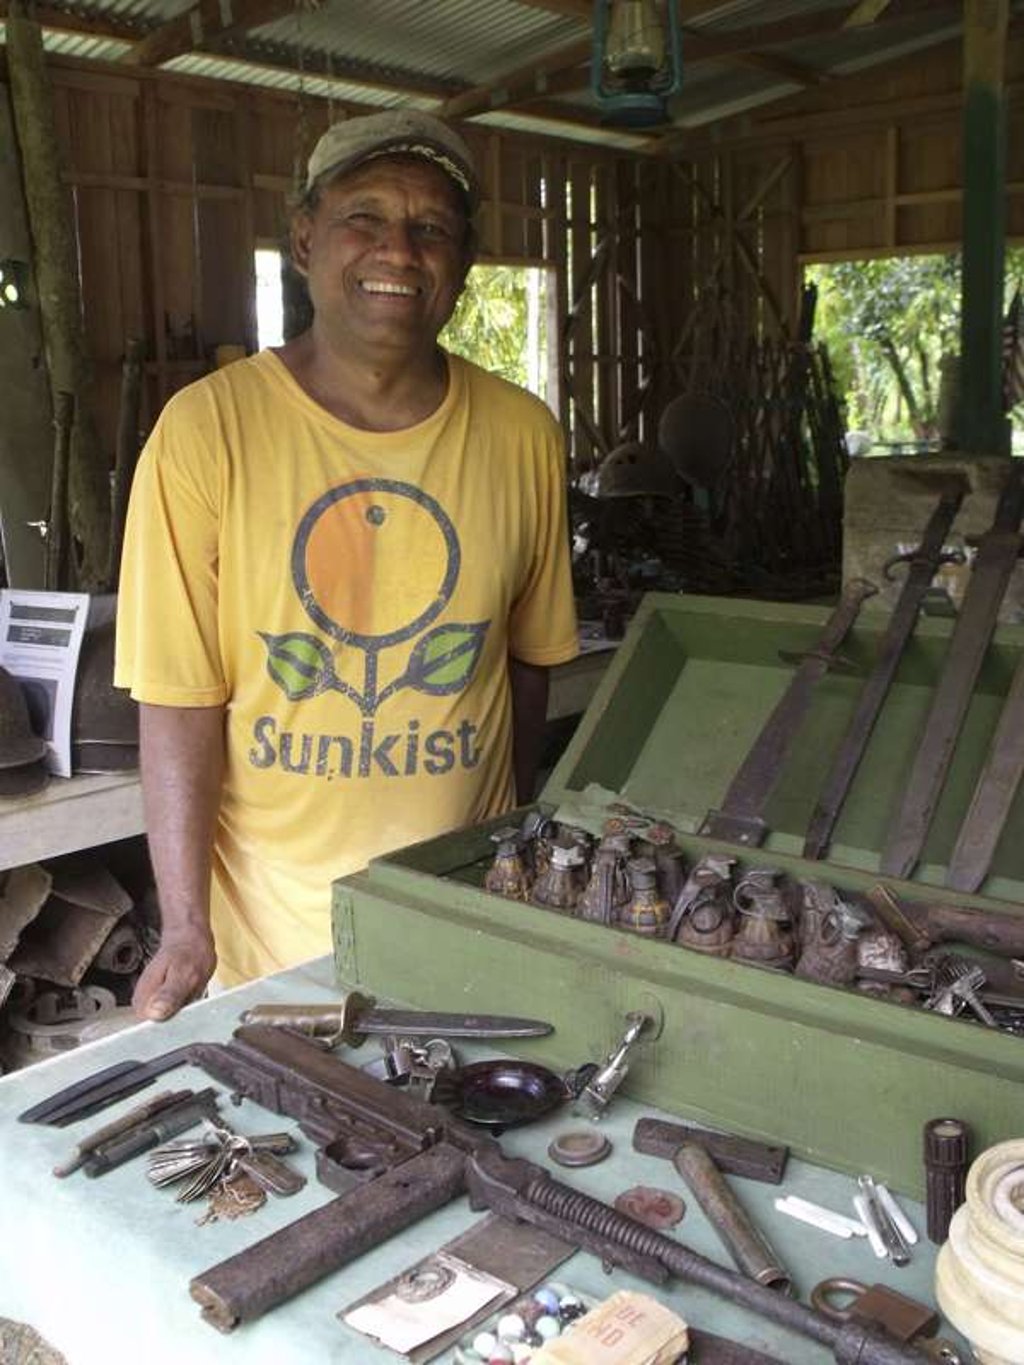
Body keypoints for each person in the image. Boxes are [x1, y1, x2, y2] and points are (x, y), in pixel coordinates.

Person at [115, 110, 579, 1021]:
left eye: (431, 227)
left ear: (462, 263)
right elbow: (177, 701)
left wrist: (506, 847)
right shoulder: (207, 433)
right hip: (277, 946)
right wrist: (184, 929)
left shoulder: (523, 434)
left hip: (464, 917)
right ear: (303, 240)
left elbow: (527, 668)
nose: (397, 251)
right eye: (364, 217)